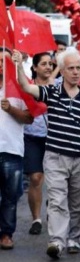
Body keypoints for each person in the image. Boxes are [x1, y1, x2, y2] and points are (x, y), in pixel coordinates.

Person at [13, 48, 80, 259]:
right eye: (70, 68)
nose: (76, 72)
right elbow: (25, 87)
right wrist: (17, 64)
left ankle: (75, 238)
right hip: (55, 156)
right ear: (63, 71)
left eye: (79, 68)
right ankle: (57, 241)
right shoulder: (52, 92)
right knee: (57, 199)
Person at [0, 48, 33, 250]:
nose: (1, 65)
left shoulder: (20, 87)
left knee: (11, 196)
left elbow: (29, 117)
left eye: (4, 61)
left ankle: (6, 233)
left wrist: (10, 108)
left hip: (12, 149)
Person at [23, 52, 54, 236]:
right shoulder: (28, 87)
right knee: (35, 178)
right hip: (32, 136)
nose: (48, 67)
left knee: (55, 179)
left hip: (54, 137)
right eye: (43, 64)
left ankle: (54, 209)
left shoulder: (59, 85)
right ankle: (36, 219)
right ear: (35, 67)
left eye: (50, 63)